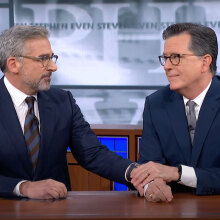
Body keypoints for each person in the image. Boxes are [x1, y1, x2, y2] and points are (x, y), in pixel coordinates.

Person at [0, 25, 137, 199]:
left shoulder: (62, 101)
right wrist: (23, 187)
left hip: (55, 209)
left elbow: (92, 153)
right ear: (13, 64)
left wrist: (137, 174)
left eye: (52, 57)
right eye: (43, 59)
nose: (53, 67)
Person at [130, 22, 220, 202]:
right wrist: (151, 184)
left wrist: (177, 173)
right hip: (172, 206)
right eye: (165, 58)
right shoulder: (156, 103)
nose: (166, 66)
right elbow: (150, 164)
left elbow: (171, 172)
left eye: (176, 57)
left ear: (205, 62)